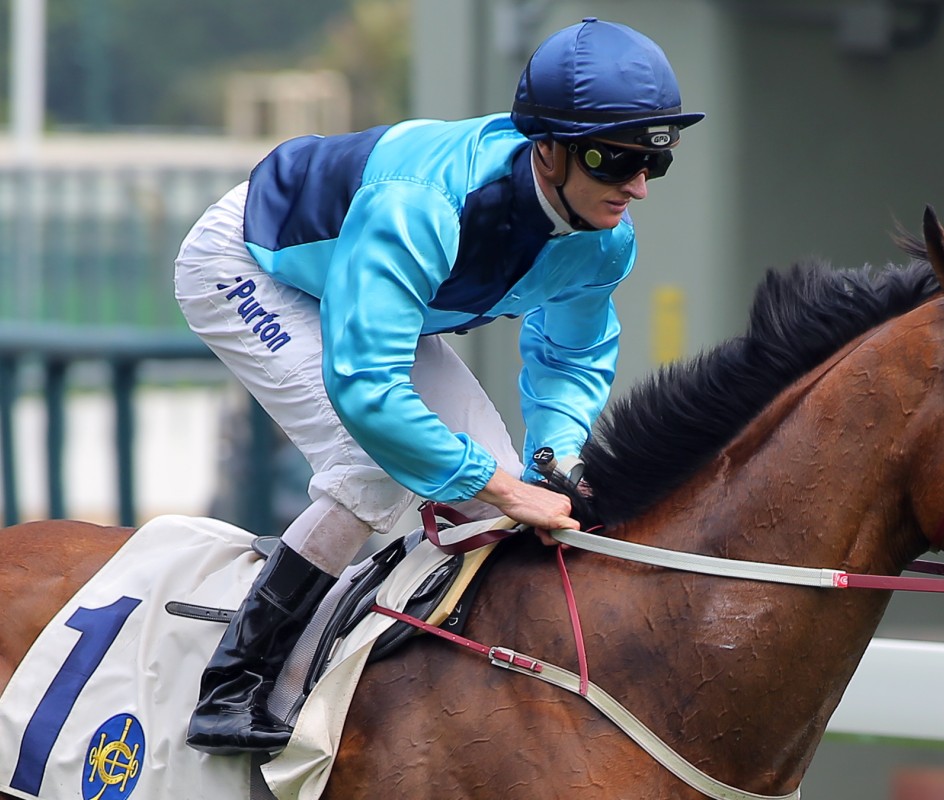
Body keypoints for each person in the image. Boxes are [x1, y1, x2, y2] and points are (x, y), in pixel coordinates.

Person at [173, 17, 703, 755]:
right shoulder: (422, 203)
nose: (638, 187)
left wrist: (555, 457)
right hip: (250, 265)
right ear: (546, 148)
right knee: (378, 464)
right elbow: (368, 392)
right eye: (615, 162)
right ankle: (234, 682)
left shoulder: (605, 241)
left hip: (373, 297)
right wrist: (503, 486)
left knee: (498, 497)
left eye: (655, 163)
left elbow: (572, 356)